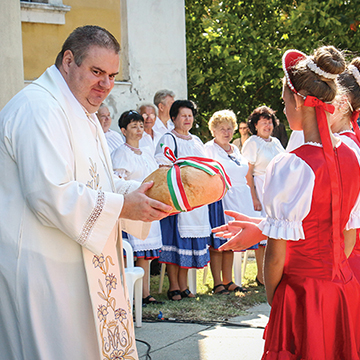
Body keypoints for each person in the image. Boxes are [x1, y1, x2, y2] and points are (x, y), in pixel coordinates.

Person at [0, 25, 172, 360]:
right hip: (43, 272)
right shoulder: (40, 108)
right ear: (68, 61)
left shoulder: (81, 111)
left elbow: (98, 182)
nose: (106, 85)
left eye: (112, 75)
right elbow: (48, 194)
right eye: (97, 72)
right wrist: (124, 205)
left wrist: (146, 194)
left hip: (77, 267)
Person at [215, 46, 360, 359]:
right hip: (342, 288)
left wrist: (276, 297)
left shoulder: (291, 164)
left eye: (283, 102)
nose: (282, 111)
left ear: (297, 100)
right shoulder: (351, 155)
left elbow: (277, 252)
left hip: (302, 294)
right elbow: (348, 233)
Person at [155, 100, 211, 301]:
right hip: (177, 199)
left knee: (188, 243)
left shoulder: (196, 140)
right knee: (175, 242)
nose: (188, 119)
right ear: (173, 118)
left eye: (190, 115)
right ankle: (174, 286)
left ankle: (185, 285)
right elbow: (163, 165)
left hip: (195, 200)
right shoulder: (168, 138)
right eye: (183, 115)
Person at [111, 110, 163, 305]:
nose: (139, 130)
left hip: (149, 204)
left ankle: (144, 293)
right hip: (132, 204)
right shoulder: (120, 153)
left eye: (141, 126)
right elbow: (118, 180)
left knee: (146, 254)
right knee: (130, 252)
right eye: (134, 126)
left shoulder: (147, 153)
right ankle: (127, 293)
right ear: (124, 130)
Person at [205, 110, 257, 294]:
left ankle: (228, 280)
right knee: (217, 241)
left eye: (229, 128)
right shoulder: (209, 149)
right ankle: (217, 282)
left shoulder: (235, 149)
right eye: (222, 129)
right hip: (220, 199)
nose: (226, 132)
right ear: (213, 130)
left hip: (238, 198)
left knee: (230, 240)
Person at [242, 106, 285, 285]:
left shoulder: (275, 142)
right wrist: (254, 197)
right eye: (263, 122)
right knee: (262, 232)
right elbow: (247, 172)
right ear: (255, 125)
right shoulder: (253, 142)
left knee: (277, 232)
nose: (267, 125)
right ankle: (261, 275)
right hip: (260, 187)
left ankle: (276, 272)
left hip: (277, 189)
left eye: (269, 122)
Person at [330, 58, 360, 283]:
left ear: (342, 102)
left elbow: (347, 220)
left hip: (346, 259)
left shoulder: (343, 147)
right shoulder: (348, 142)